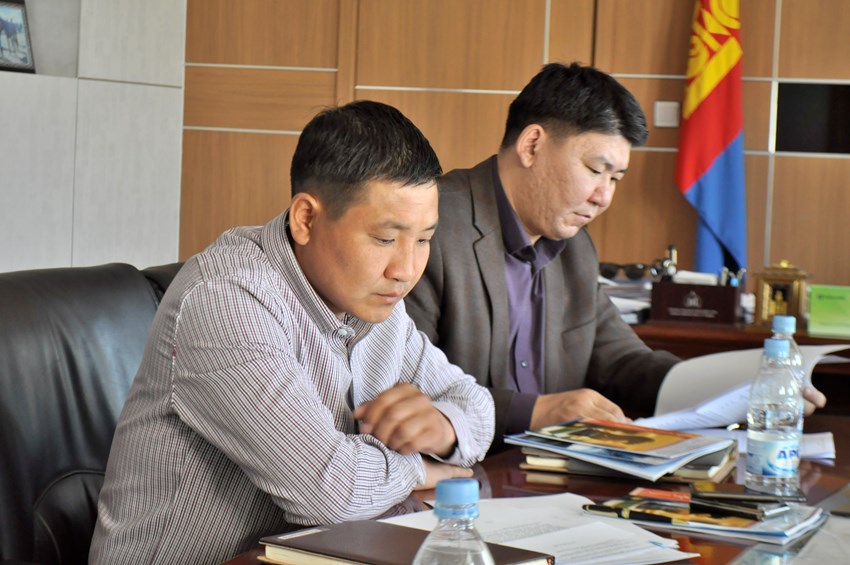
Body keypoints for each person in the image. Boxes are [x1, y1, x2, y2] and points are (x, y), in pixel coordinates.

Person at [89, 101, 495, 565]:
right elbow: (331, 494)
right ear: (306, 219)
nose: (406, 270)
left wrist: (443, 429)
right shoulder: (226, 299)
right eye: (385, 239)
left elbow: (477, 407)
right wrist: (418, 466)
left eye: (423, 240)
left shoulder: (377, 303)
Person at [404, 62, 826, 451]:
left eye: (616, 178)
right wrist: (534, 412)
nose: (603, 197)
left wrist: (742, 388)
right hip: (456, 477)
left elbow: (622, 361)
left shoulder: (575, 248)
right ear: (532, 145)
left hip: (551, 475)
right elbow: (405, 387)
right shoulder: (432, 227)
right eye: (595, 170)